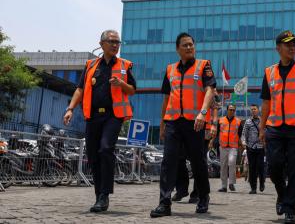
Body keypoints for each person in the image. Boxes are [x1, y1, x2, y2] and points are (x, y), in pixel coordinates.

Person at [63, 30, 136, 213]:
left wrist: (122, 84)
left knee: (105, 149)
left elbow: (133, 90)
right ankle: (99, 196)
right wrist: (70, 109)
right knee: (94, 156)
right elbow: (80, 89)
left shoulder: (125, 65)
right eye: (111, 41)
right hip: (93, 116)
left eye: (118, 42)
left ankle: (104, 195)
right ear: (101, 43)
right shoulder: (91, 65)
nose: (115, 45)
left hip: (114, 115)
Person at [150, 32, 215, 217]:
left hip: (195, 122)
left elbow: (210, 90)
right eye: (185, 45)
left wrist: (203, 113)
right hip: (173, 122)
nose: (189, 48)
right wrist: (162, 123)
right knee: (168, 161)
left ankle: (203, 197)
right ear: (178, 49)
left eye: (191, 44)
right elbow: (166, 98)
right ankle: (164, 203)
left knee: (198, 161)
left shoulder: (204, 65)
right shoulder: (170, 69)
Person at [258, 30, 295, 224]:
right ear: (278, 48)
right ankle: (282, 195)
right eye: (288, 44)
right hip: (274, 126)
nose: (292, 47)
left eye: (294, 44)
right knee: (274, 166)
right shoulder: (269, 72)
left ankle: (290, 208)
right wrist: (261, 127)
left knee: (294, 169)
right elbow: (266, 102)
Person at [172, 90, 220, 204]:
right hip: (185, 126)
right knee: (179, 157)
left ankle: (197, 193)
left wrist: (214, 125)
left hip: (203, 128)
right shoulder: (186, 82)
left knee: (198, 161)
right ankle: (182, 189)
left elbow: (215, 109)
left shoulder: (212, 90)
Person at [211, 104, 243, 192]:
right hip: (223, 147)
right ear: (227, 110)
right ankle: (224, 186)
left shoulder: (238, 121)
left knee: (232, 162)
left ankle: (231, 183)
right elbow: (216, 133)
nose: (232, 111)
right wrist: (212, 141)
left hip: (233, 147)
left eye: (233, 110)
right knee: (223, 166)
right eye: (230, 109)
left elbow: (239, 134)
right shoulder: (220, 120)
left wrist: (240, 143)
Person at [241, 104, 266, 194]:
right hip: (250, 147)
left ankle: (262, 183)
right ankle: (253, 188)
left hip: (260, 147)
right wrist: (243, 142)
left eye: (254, 109)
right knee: (252, 168)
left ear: (258, 110)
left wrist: (265, 141)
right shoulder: (247, 122)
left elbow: (266, 132)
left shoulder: (263, 121)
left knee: (260, 167)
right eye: (251, 109)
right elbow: (244, 134)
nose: (253, 111)